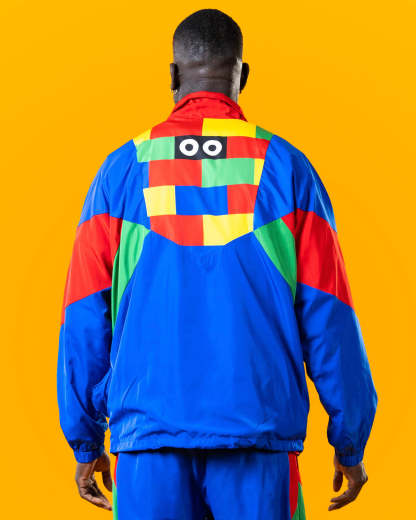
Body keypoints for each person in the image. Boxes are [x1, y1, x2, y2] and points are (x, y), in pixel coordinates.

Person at [57, 8, 377, 519]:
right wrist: (350, 438)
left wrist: (85, 437)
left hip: (148, 439)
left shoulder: (120, 172)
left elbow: (84, 312)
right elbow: (330, 312)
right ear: (242, 75)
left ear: (173, 75)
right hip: (259, 435)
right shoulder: (287, 168)